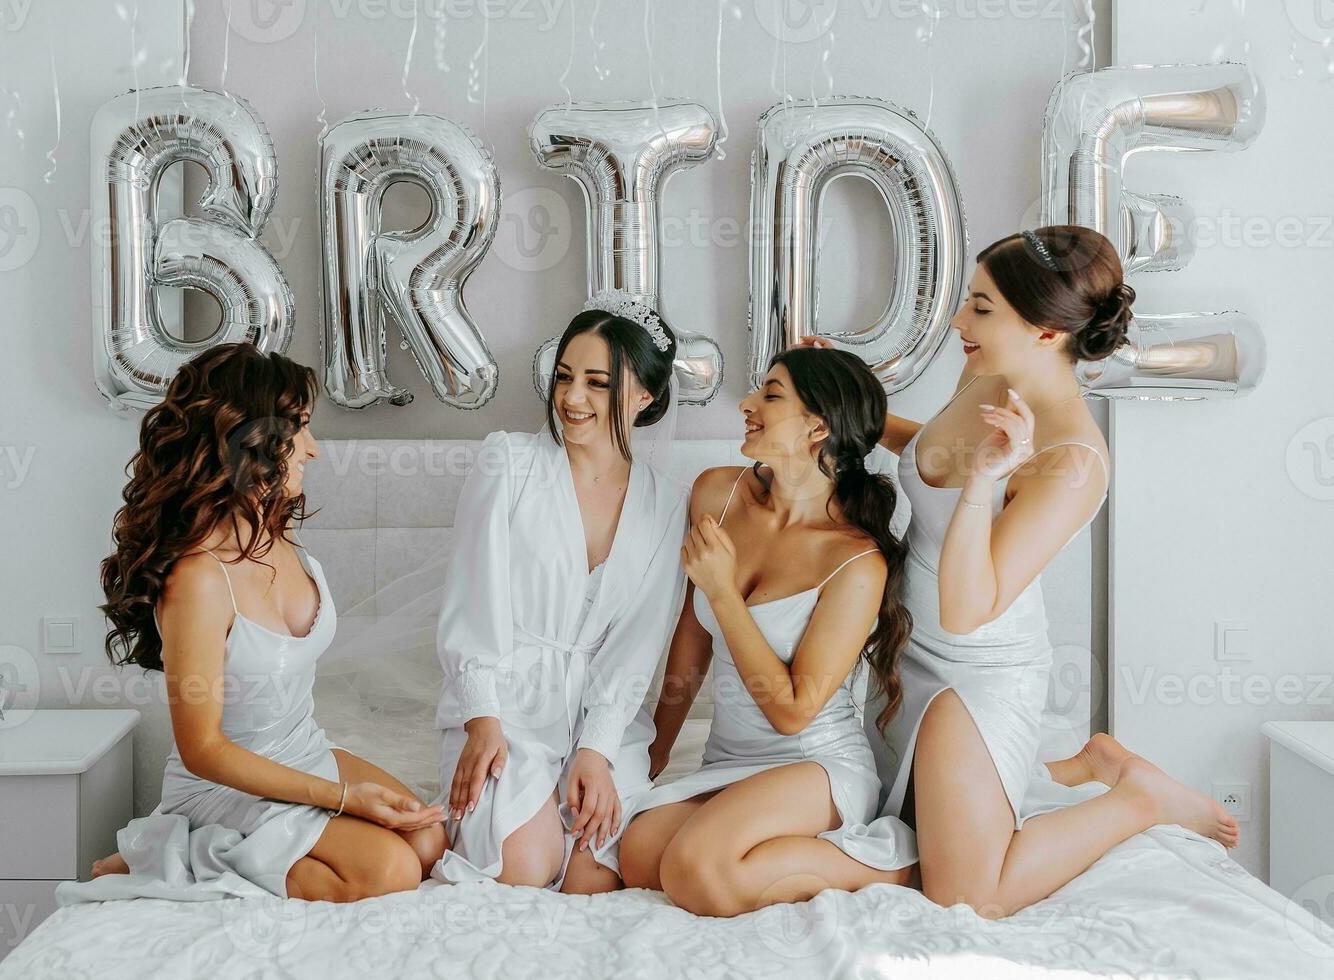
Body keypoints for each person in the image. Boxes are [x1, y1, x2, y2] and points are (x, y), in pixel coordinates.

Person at [806, 225, 1238, 918]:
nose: (957, 322)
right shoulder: (985, 375)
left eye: (980, 308)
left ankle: (1136, 799)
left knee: (968, 891)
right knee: (911, 822)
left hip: (971, 677)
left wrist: (985, 486)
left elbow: (969, 607)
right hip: (904, 654)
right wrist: (849, 398)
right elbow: (934, 458)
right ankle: (1078, 765)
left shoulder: (1071, 460)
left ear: (1044, 332)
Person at [91, 343, 446, 902]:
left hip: (300, 747)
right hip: (221, 781)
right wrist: (343, 798)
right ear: (250, 441)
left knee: (427, 839)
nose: (315, 450)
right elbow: (202, 749)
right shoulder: (198, 579)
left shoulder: (276, 536)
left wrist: (331, 789)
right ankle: (172, 850)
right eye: (300, 429)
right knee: (389, 871)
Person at [617, 347, 918, 917]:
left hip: (813, 763)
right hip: (728, 759)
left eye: (771, 395)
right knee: (640, 854)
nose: (748, 405)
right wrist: (654, 751)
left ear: (818, 427)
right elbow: (693, 636)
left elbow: (793, 712)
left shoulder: (856, 562)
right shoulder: (718, 493)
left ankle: (902, 865)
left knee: (697, 872)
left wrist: (725, 593)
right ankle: (774, 851)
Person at [430, 293, 690, 894]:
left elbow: (637, 643)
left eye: (598, 383)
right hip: (503, 705)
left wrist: (596, 750)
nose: (572, 399)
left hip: (601, 715)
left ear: (644, 397)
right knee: (520, 867)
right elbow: (473, 601)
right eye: (565, 377)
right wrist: (482, 719)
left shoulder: (667, 503)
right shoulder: (509, 463)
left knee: (592, 875)